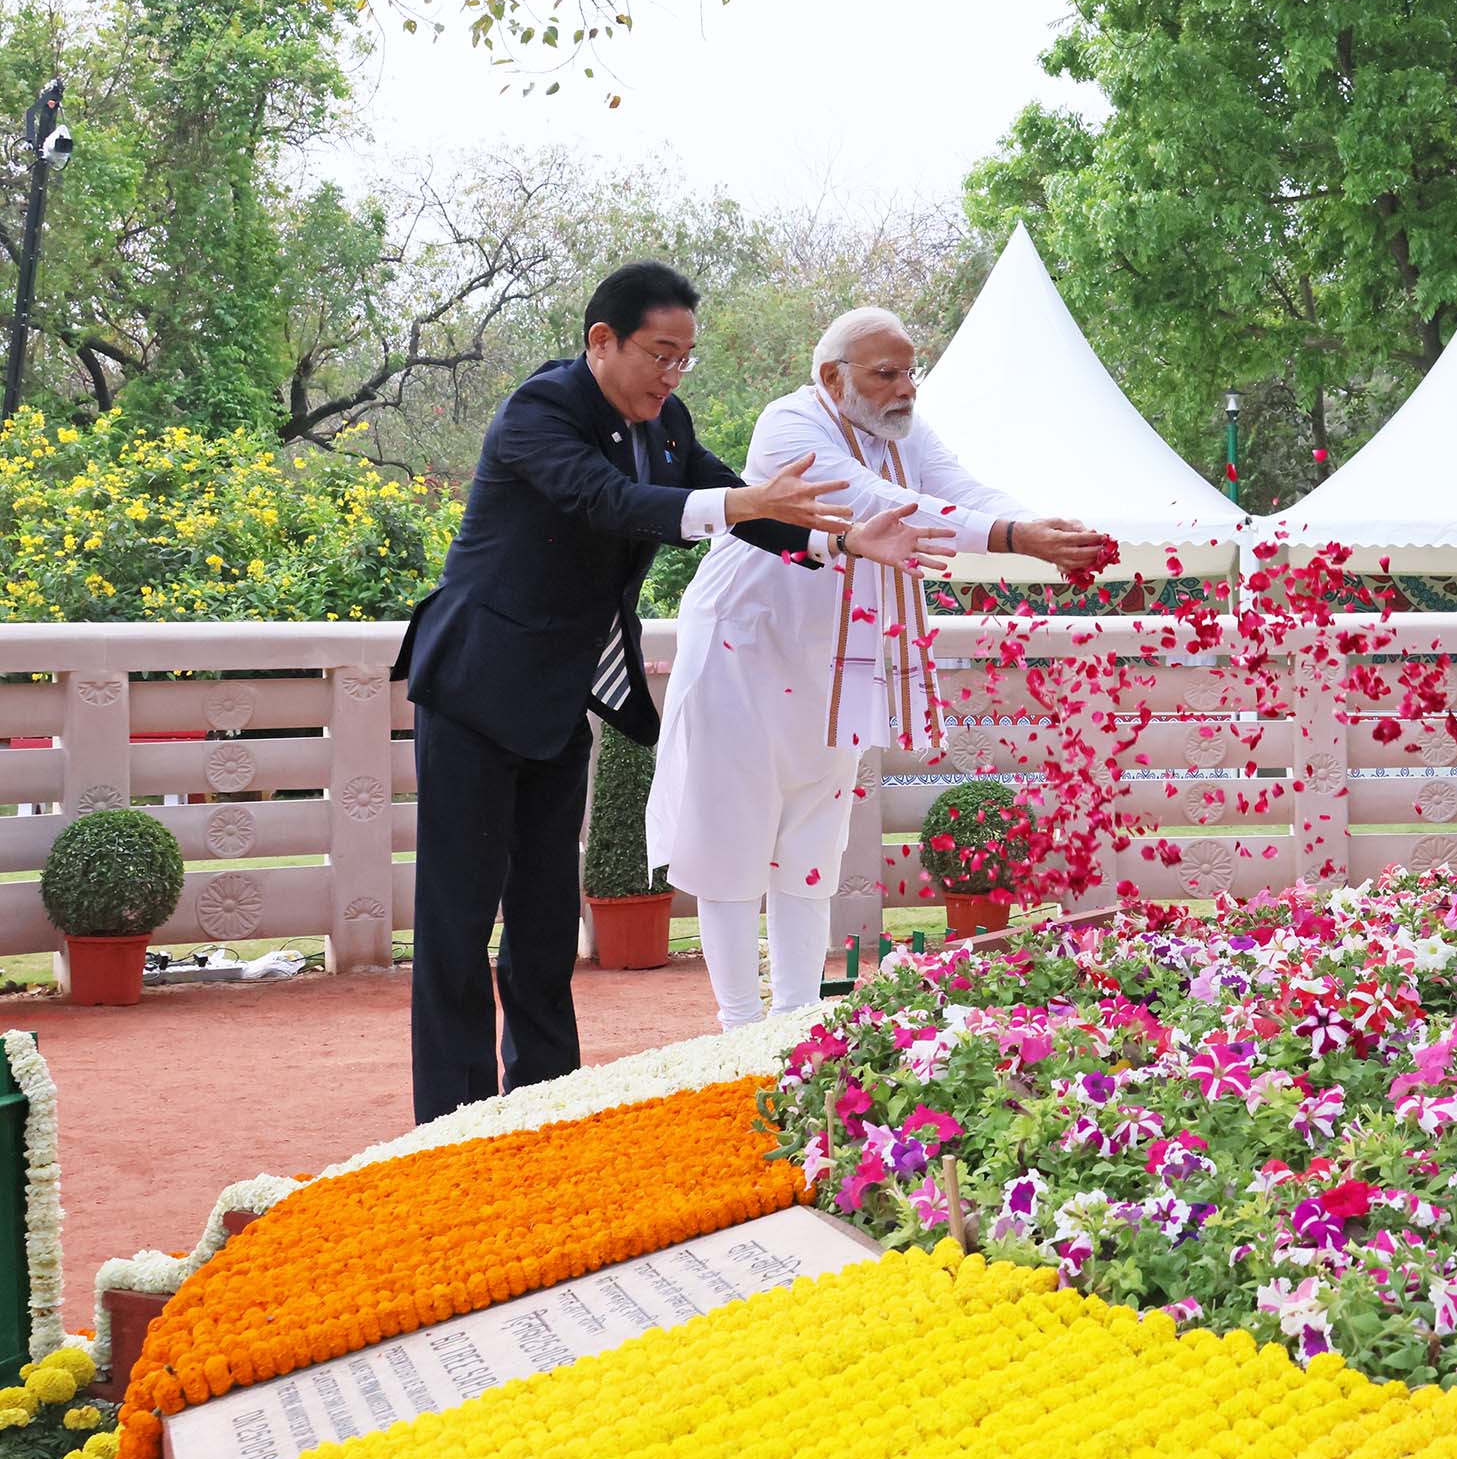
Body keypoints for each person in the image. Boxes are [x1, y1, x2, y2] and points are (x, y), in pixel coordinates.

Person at [393, 263, 947, 1123]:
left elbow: (754, 513)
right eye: (660, 353)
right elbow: (614, 502)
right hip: (472, 687)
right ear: (601, 341)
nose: (672, 375)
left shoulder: (667, 423)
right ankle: (453, 1120)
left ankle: (542, 1103)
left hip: (558, 697)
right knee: (459, 924)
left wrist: (844, 547)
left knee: (544, 921)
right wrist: (733, 502)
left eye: (685, 358)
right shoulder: (541, 412)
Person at [646, 306, 1111, 1029]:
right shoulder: (788, 425)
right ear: (833, 377)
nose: (906, 388)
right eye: (885, 373)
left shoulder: (904, 431)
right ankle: (737, 1027)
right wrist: (1011, 536)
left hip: (834, 661)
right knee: (731, 838)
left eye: (910, 372)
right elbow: (877, 507)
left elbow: (961, 491)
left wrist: (1040, 531)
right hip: (744, 649)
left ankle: (798, 1017)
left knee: (809, 842)